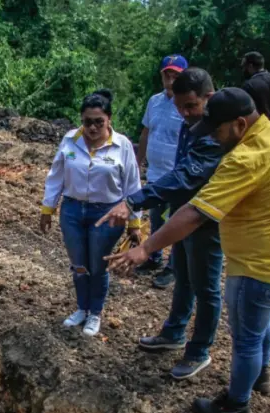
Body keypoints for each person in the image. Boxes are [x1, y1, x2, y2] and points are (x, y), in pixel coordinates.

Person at [108, 88, 270, 413]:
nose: (215, 139)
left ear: (240, 124)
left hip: (260, 265)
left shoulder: (244, 159)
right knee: (262, 321)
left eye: (218, 131)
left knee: (245, 339)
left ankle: (235, 404)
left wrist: (145, 248)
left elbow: (195, 213)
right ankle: (261, 376)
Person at [96, 68, 226, 380]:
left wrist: (134, 201)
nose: (185, 113)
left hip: (206, 219)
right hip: (182, 211)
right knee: (182, 274)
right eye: (181, 106)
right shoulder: (193, 123)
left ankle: (199, 351)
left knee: (206, 288)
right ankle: (174, 333)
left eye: (191, 106)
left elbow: (186, 176)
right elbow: (180, 173)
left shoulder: (216, 132)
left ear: (210, 95)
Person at [40, 89, 142, 337]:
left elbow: (133, 185)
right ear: (81, 121)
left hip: (107, 214)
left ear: (109, 120)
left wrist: (134, 222)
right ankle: (81, 308)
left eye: (99, 122)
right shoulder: (70, 140)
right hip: (73, 210)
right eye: (87, 122)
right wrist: (47, 208)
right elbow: (56, 177)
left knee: (98, 265)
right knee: (79, 264)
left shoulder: (123, 146)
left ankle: (95, 312)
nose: (93, 127)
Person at [135, 54, 188, 289]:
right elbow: (146, 132)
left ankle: (172, 267)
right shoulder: (154, 101)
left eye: (176, 74)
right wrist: (138, 161)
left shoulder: (186, 104)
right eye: (168, 73)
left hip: (177, 176)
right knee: (156, 218)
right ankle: (154, 257)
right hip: (155, 173)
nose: (171, 78)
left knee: (176, 222)